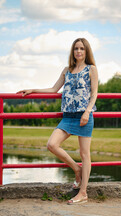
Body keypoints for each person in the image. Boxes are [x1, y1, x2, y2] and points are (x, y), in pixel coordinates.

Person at [17, 38, 98, 205]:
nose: (79, 52)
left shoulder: (92, 69)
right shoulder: (67, 70)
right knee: (52, 144)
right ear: (73, 51)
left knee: (85, 154)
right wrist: (33, 89)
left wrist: (87, 112)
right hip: (68, 117)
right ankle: (77, 169)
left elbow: (94, 94)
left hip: (84, 116)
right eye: (76, 48)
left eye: (82, 49)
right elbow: (54, 89)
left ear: (86, 51)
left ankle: (83, 192)